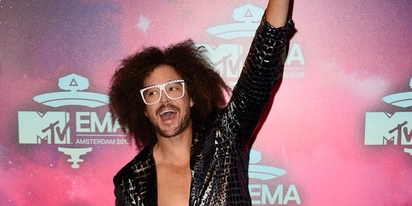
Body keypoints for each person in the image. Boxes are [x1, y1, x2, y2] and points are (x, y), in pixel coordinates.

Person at [109, 0, 294, 205]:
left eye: (173, 88)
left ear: (192, 97)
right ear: (143, 109)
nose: (164, 100)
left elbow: (261, 67)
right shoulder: (131, 182)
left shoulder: (224, 138)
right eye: (152, 93)